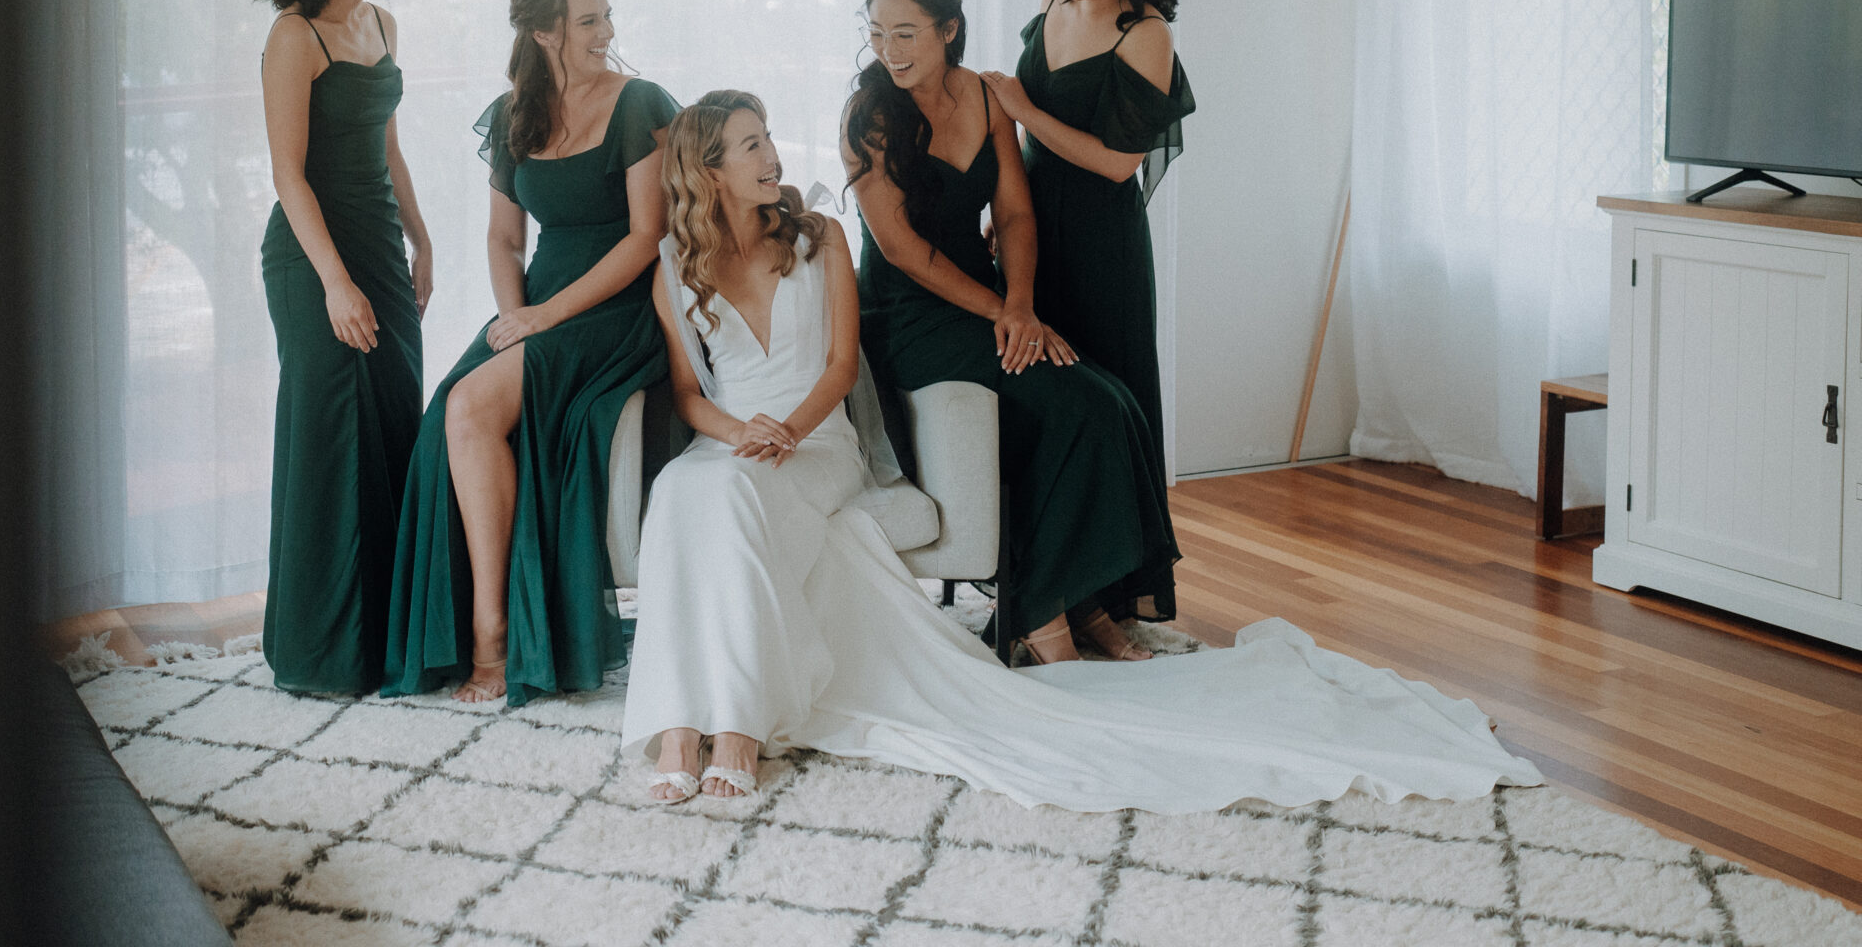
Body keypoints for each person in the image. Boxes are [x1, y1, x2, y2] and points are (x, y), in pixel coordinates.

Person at [622, 91, 1541, 813]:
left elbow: (839, 364)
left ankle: (732, 732)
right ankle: (676, 730)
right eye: (748, 143)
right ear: (707, 168)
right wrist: (741, 432)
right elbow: (693, 396)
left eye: (767, 136)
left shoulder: (817, 238)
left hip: (814, 439)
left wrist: (786, 429)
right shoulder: (675, 263)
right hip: (736, 443)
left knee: (733, 503)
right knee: (682, 498)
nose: (771, 153)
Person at [844, 0, 1176, 666]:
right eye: (877, 34)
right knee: (1067, 401)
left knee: (1106, 400)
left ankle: (1077, 601)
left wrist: (1020, 306)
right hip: (908, 317)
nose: (889, 51)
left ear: (948, 30)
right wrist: (1004, 311)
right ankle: (1044, 612)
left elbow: (1017, 216)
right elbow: (901, 251)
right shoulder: (869, 115)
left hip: (988, 299)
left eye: (906, 34)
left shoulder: (988, 97)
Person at [383, 0, 678, 705]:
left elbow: (648, 237)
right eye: (588, 21)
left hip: (620, 309)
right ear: (544, 32)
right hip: (539, 305)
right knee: (448, 416)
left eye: (607, 16)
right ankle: (485, 621)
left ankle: (493, 638)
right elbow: (504, 241)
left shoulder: (640, 103)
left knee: (470, 408)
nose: (607, 32)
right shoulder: (513, 113)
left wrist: (545, 320)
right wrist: (514, 319)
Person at [257, 0, 432, 695]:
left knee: (397, 427)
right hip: (310, 259)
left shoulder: (384, 25)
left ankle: (391, 640)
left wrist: (423, 242)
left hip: (381, 252)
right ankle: (321, 654)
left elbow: (389, 151)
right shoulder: (295, 37)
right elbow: (290, 176)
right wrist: (334, 283)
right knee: (331, 440)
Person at [985, 0, 1195, 478]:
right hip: (1031, 229)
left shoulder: (1146, 34)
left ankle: (1122, 569)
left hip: (1101, 243)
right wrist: (1006, 213)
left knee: (1110, 395)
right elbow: (1025, 142)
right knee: (1033, 391)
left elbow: (1118, 162)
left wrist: (1023, 108)